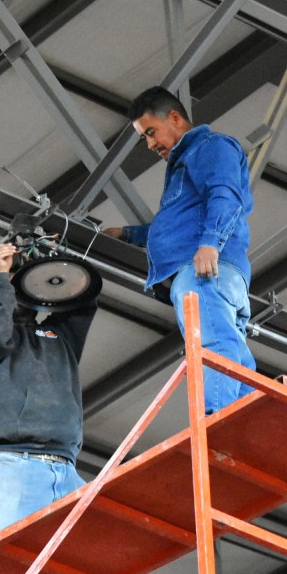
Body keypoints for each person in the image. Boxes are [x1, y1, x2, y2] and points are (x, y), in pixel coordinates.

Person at [106, 86, 255, 414]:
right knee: (235, 357)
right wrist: (128, 235)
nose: (150, 144)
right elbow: (178, 227)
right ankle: (245, 430)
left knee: (213, 347)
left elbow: (226, 194)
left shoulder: (210, 147)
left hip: (206, 273)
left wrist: (209, 245)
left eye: (150, 132)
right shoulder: (186, 166)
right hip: (216, 274)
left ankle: (216, 426)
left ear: (174, 117)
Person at [0, 242, 97, 545]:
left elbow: (83, 298)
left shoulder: (59, 337)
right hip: (13, 463)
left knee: (87, 551)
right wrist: (1, 276)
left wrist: (51, 262)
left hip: (66, 467)